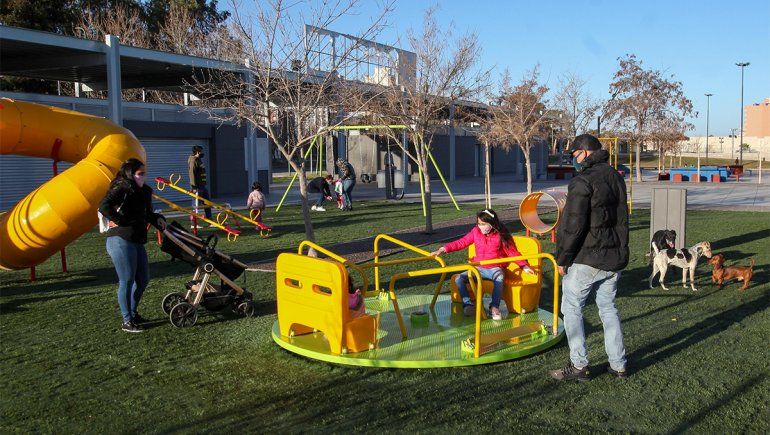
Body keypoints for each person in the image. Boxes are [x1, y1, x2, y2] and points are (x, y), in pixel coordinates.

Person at [550, 134, 629, 382]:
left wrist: (563, 259)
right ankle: (618, 365)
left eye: (574, 155)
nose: (573, 160)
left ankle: (579, 365)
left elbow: (574, 226)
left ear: (584, 153)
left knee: (571, 308)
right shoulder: (615, 177)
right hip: (614, 256)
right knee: (608, 309)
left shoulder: (582, 182)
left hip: (588, 257)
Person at [99, 158, 166, 333]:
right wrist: (120, 220)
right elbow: (104, 206)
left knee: (143, 280)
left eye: (144, 173)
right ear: (130, 173)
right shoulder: (121, 187)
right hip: (120, 240)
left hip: (136, 240)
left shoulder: (144, 191)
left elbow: (148, 214)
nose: (143, 176)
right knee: (127, 280)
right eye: (140, 173)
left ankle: (133, 313)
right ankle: (127, 320)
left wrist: (159, 219)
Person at [431, 209, 535, 320]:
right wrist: (443, 249)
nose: (480, 226)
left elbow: (512, 251)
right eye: (479, 224)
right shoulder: (476, 232)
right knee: (459, 278)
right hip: (478, 268)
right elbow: (462, 242)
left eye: (483, 224)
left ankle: (494, 307)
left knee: (499, 277)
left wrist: (524, 265)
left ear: (491, 223)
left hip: (495, 268)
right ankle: (468, 304)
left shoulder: (501, 235)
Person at [188, 145, 212, 221]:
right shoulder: (193, 160)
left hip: (202, 186)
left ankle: (209, 219)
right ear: (198, 152)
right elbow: (192, 174)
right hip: (197, 187)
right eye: (201, 151)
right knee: (196, 205)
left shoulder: (198, 159)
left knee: (207, 203)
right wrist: (194, 187)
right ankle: (193, 223)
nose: (203, 153)